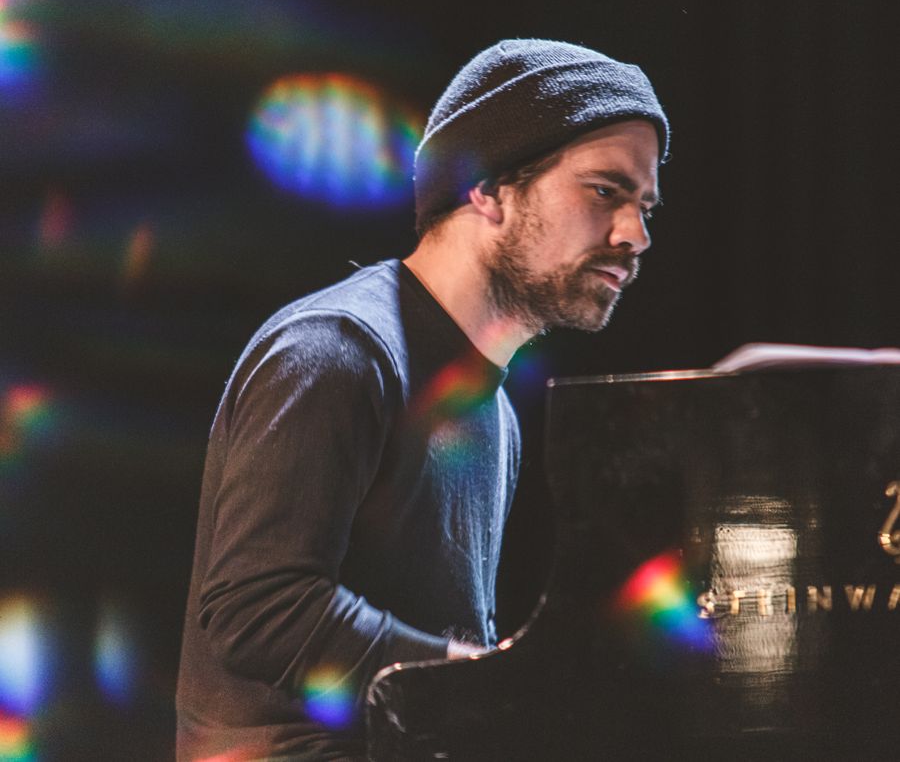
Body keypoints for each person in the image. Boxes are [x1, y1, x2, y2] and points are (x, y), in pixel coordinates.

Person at [175, 38, 669, 761]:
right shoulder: (335, 351)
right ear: (486, 189)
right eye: (605, 191)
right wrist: (478, 682)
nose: (636, 234)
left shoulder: (490, 409)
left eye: (644, 206)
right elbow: (259, 609)